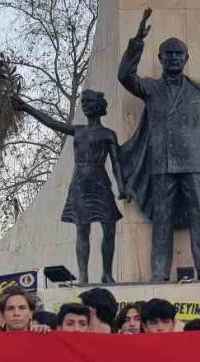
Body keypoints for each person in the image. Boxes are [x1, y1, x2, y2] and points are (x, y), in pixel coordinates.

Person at [118, 8, 200, 282]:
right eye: (168, 54)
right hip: (162, 163)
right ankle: (158, 275)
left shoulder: (197, 92)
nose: (173, 58)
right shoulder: (150, 89)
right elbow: (125, 76)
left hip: (197, 164)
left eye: (178, 54)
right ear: (160, 59)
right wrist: (137, 41)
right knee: (162, 223)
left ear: (185, 59)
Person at [13, 91, 128, 285]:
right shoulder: (79, 131)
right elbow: (51, 123)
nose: (85, 105)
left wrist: (122, 187)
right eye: (83, 102)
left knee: (109, 230)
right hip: (80, 185)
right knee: (82, 230)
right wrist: (26, 107)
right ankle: (83, 275)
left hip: (100, 183)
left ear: (100, 106)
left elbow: (117, 163)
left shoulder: (108, 134)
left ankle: (107, 273)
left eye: (90, 102)